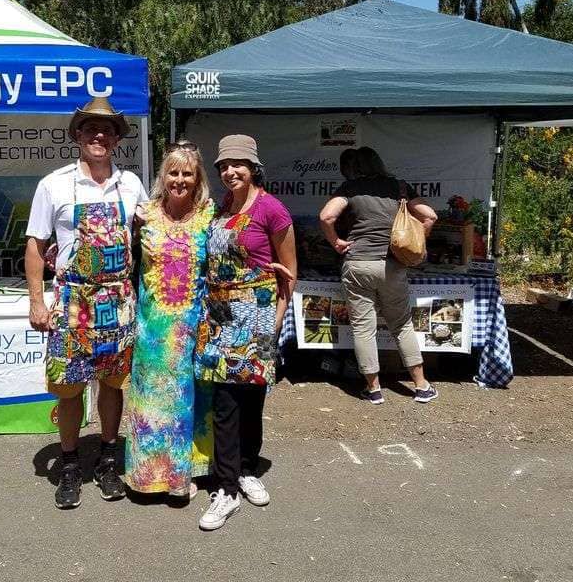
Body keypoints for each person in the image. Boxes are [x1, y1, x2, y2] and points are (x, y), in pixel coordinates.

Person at [24, 95, 148, 510]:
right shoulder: (53, 184)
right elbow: (35, 244)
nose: (99, 136)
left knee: (113, 384)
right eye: (91, 129)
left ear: (117, 139)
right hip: (72, 301)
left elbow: (149, 235)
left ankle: (109, 459)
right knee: (69, 387)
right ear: (77, 135)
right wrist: (37, 302)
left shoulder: (131, 184)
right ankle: (70, 464)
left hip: (118, 299)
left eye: (107, 130)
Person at [196, 134, 296, 531]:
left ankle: (247, 468)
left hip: (257, 315)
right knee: (225, 402)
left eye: (237, 164)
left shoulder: (272, 209)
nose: (229, 171)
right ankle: (226, 489)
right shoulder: (222, 207)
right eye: (223, 165)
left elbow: (289, 273)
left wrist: (275, 322)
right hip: (220, 314)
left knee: (253, 399)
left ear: (254, 167)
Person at [124, 141, 214, 500]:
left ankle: (184, 475)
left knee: (190, 400)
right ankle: (149, 476)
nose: (180, 180)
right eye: (173, 172)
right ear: (163, 176)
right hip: (152, 331)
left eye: (187, 173)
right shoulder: (143, 214)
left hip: (193, 328)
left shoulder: (209, 215)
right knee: (152, 403)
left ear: (198, 178)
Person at [318, 146, 438, 405]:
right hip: (392, 265)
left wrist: (336, 242)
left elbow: (326, 216)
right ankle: (421, 386)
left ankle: (374, 390)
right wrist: (416, 240)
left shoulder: (350, 188)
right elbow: (430, 216)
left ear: (355, 167)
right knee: (402, 325)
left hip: (357, 263)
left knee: (363, 328)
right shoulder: (400, 187)